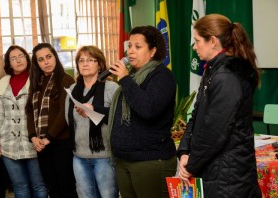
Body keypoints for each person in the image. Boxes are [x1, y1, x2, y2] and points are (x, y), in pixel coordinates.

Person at [176, 14, 262, 197]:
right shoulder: (213, 70)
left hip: (229, 176)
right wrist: (184, 151)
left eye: (198, 41)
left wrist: (192, 164)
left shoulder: (227, 76)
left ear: (213, 41)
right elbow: (196, 115)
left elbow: (215, 131)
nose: (195, 46)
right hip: (215, 170)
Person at [108, 25, 177, 198]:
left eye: (137, 47)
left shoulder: (162, 76)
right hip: (124, 159)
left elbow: (148, 109)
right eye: (129, 46)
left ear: (153, 51)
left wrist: (124, 79)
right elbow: (125, 111)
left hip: (150, 161)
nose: (130, 51)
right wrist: (95, 110)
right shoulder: (132, 76)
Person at [0, 45, 48, 198]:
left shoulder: (38, 79)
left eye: (21, 56)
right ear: (9, 63)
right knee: (19, 187)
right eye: (13, 58)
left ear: (27, 58)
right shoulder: (3, 83)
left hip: (33, 142)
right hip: (8, 143)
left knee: (39, 186)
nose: (18, 60)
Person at [65, 45, 119, 198]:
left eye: (90, 60)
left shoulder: (112, 88)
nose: (85, 63)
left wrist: (94, 111)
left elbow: (118, 118)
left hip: (104, 156)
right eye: (81, 61)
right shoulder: (73, 88)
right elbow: (68, 120)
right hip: (79, 155)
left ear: (100, 64)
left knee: (108, 195)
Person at [25, 43, 77, 198]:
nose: (46, 62)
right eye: (40, 60)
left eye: (48, 57)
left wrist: (48, 138)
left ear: (55, 56)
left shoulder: (65, 79)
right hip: (41, 144)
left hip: (61, 143)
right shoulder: (36, 82)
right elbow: (29, 111)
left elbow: (64, 112)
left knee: (66, 188)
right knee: (52, 188)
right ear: (36, 63)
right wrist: (33, 136)